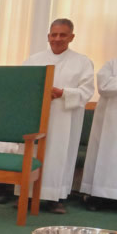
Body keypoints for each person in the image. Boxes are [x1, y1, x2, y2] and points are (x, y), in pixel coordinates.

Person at [21, 18, 94, 213]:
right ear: (48, 36)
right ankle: (27, 196)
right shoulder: (34, 60)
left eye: (63, 35)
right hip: (36, 116)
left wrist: (63, 93)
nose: (57, 39)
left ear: (71, 37)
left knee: (59, 156)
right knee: (33, 153)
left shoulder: (82, 62)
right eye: (54, 34)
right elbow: (22, 84)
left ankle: (55, 199)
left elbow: (87, 91)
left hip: (64, 118)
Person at [80, 57, 117, 209]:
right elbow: (104, 86)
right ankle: (97, 196)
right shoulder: (112, 64)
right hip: (109, 122)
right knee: (105, 157)